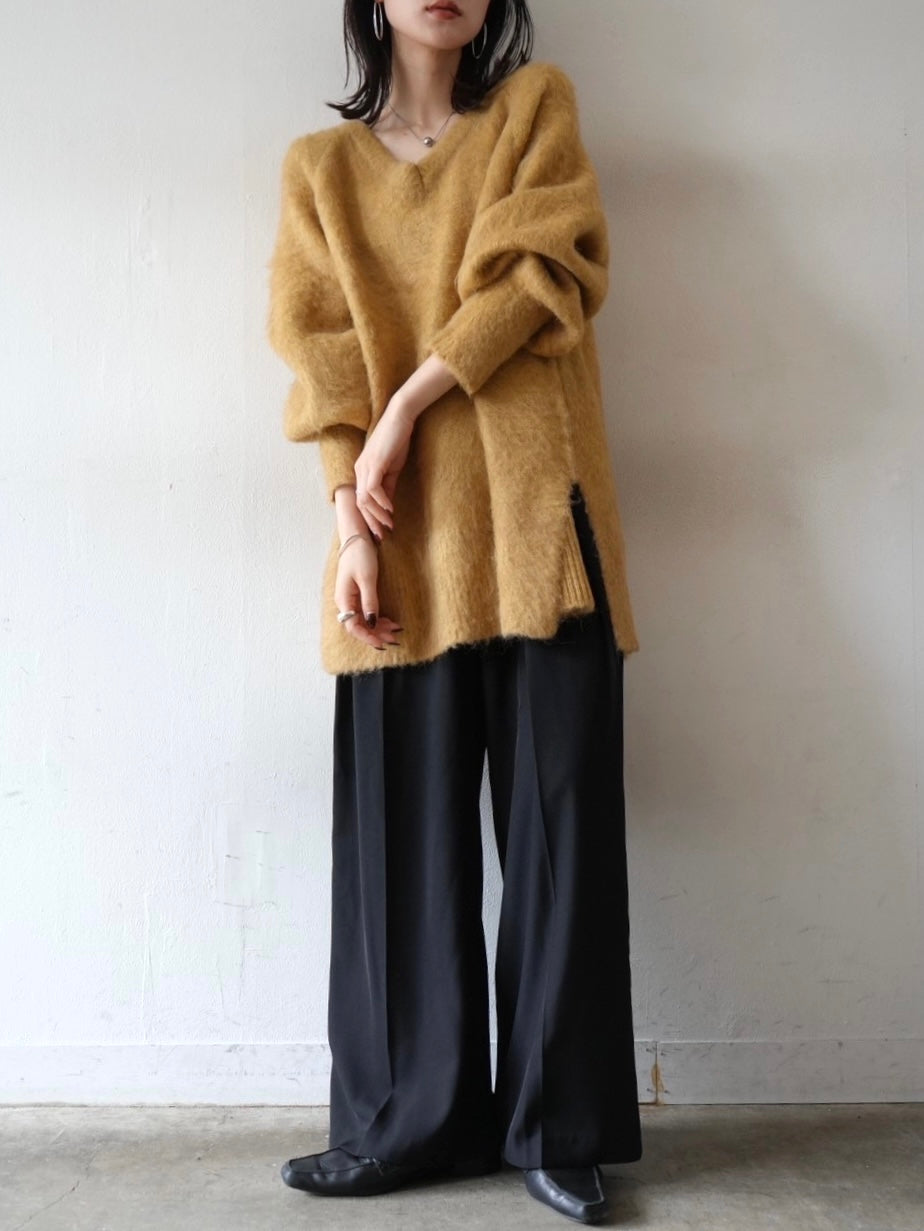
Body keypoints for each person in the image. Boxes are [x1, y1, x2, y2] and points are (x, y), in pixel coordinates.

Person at [266, 1, 643, 1223]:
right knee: (399, 845)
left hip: (541, 525)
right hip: (398, 541)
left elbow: (541, 273)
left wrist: (405, 406)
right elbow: (320, 354)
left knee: (559, 833)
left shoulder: (535, 110)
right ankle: (405, 1119)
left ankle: (558, 1125)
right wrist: (349, 528)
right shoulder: (321, 170)